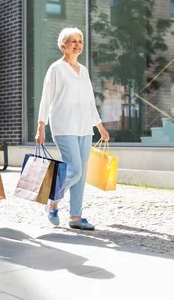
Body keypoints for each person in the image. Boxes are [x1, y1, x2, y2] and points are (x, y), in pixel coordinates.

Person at [36, 27, 110, 231]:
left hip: (84, 126)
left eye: (80, 41)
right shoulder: (56, 69)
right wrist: (41, 125)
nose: (78, 44)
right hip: (63, 125)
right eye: (73, 41)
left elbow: (89, 101)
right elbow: (46, 97)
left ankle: (76, 216)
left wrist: (99, 125)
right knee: (74, 169)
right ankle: (53, 201)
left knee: (81, 172)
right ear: (63, 46)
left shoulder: (84, 70)